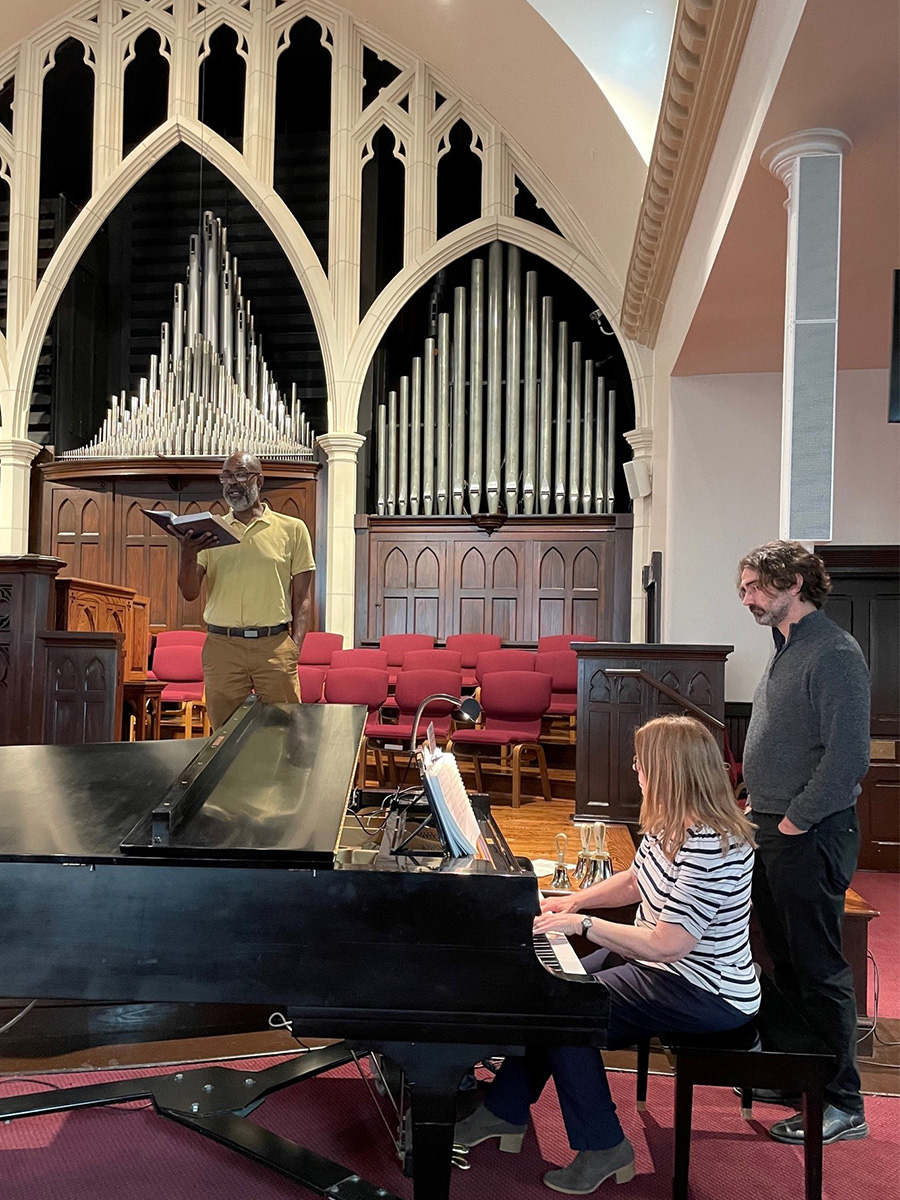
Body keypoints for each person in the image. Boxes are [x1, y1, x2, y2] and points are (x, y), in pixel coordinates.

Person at [455, 715, 759, 1195]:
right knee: (547, 993)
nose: (635, 768)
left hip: (703, 990)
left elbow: (669, 943)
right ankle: (503, 1114)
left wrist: (584, 925)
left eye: (641, 762)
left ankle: (603, 1147)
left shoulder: (712, 845)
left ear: (669, 771)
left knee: (566, 1009)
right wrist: (576, 900)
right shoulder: (670, 824)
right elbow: (636, 880)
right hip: (659, 968)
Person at [738, 540, 870, 1144]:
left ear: (793, 581)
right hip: (771, 825)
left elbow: (846, 759)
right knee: (784, 962)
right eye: (743, 589)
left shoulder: (834, 651)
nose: (747, 598)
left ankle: (844, 1102)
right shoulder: (785, 647)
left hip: (809, 832)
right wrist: (757, 805)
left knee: (819, 969)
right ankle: (798, 1075)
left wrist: (793, 820)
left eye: (754, 586)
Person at [175, 451, 315, 729]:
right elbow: (190, 592)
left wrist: (293, 647)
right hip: (222, 646)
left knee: (283, 730)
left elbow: (302, 597)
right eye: (226, 477)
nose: (232, 483)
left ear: (259, 481)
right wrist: (188, 554)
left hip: (273, 645)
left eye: (240, 475)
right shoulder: (210, 530)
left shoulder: (293, 529)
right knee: (224, 736)